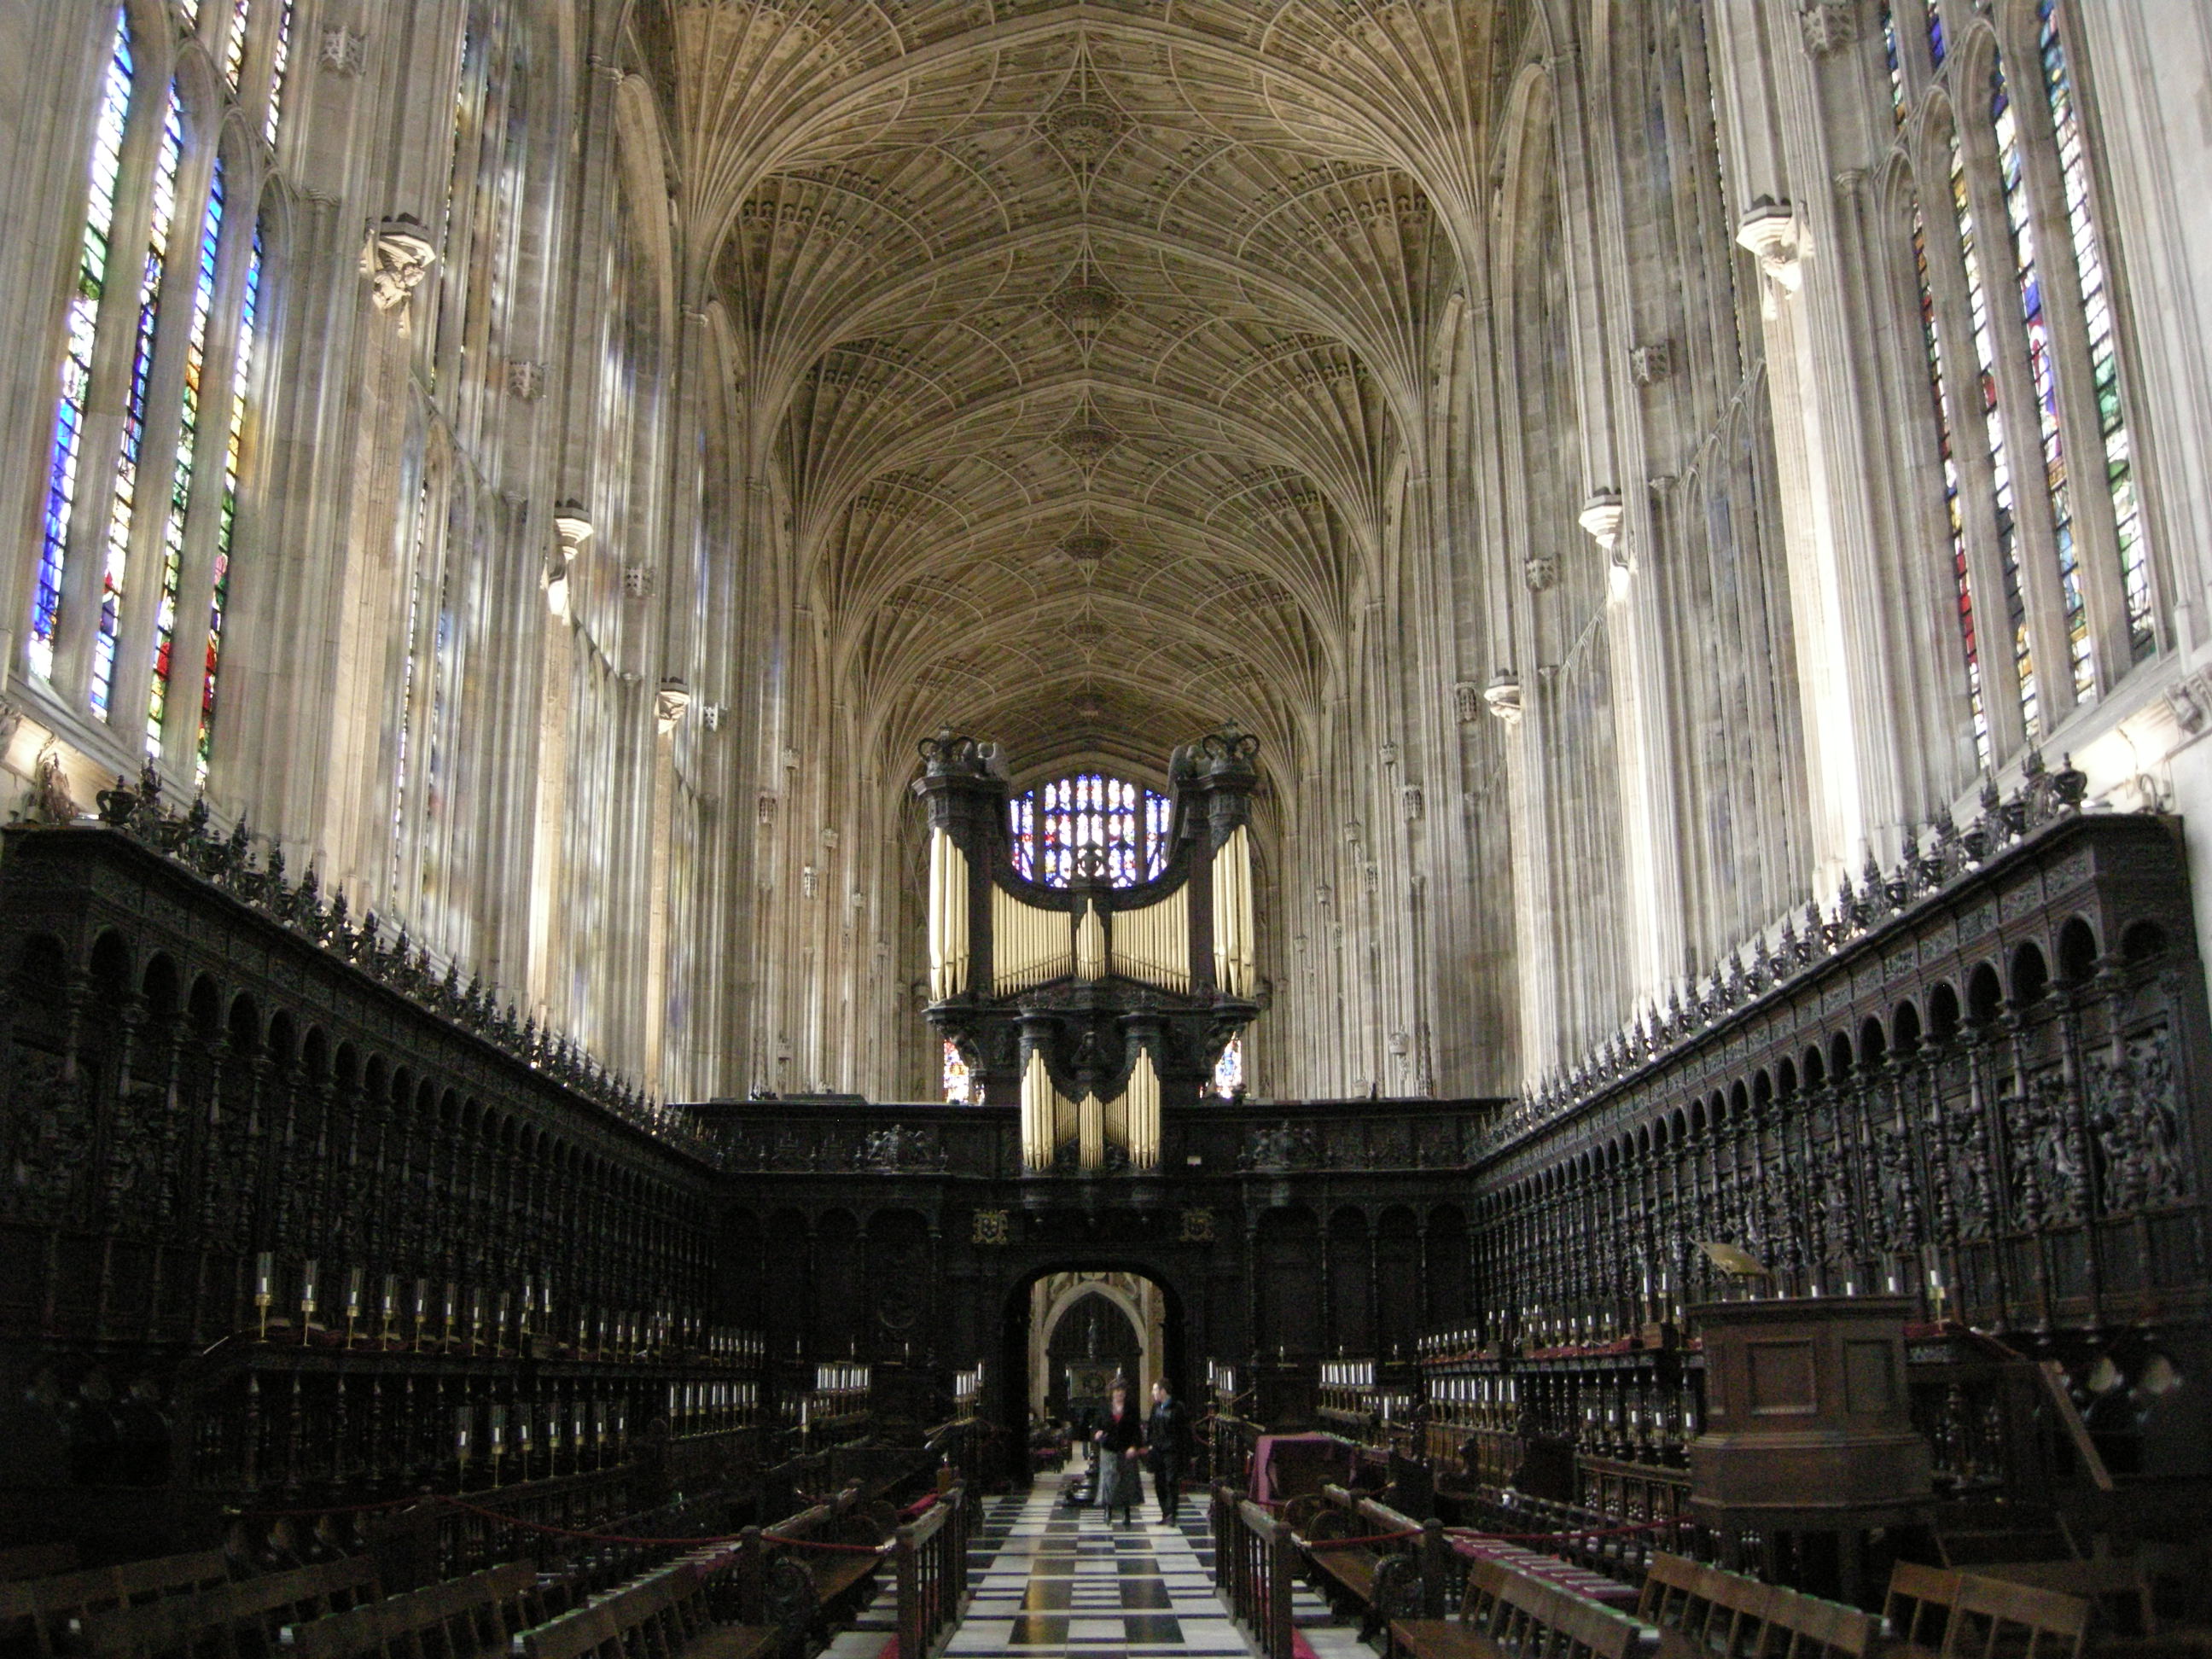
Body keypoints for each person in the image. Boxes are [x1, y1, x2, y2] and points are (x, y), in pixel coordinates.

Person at [1092, 1381, 1143, 1525]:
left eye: (1122, 1391)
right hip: (1109, 1448)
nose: (1119, 1393)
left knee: (1126, 1481)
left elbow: (1136, 1431)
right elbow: (1096, 1425)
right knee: (1108, 1480)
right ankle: (1108, 1509)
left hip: (1126, 1449)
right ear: (1112, 1392)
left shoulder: (1131, 1409)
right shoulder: (1103, 1407)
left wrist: (1134, 1446)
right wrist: (1097, 1433)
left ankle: (1126, 1512)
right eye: (1116, 1391)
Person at [1146, 1378, 1190, 1523]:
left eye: (1155, 1390)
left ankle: (1172, 1513)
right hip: (1158, 1450)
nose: (1153, 1393)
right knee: (1159, 1482)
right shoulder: (1156, 1407)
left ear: (1163, 1391)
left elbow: (1183, 1430)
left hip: (1172, 1450)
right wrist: (1150, 1444)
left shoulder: (1178, 1407)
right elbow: (1151, 1427)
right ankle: (1165, 1512)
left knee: (1171, 1481)